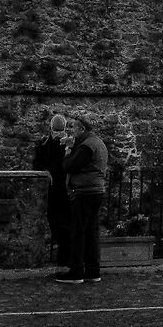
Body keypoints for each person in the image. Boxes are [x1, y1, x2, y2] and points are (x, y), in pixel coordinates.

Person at [55, 112, 108, 284]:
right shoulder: (97, 142)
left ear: (82, 128)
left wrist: (68, 149)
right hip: (95, 191)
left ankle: (77, 270)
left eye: (74, 128)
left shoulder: (87, 146)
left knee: (78, 231)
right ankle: (93, 270)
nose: (72, 131)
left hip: (84, 192)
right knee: (91, 231)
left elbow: (69, 165)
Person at [31, 111, 72, 272]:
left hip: (65, 188)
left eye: (60, 129)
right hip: (52, 188)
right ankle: (62, 256)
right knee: (54, 221)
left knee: (66, 223)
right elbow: (37, 163)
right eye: (56, 129)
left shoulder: (69, 144)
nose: (58, 133)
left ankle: (65, 258)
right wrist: (45, 172)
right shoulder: (44, 144)